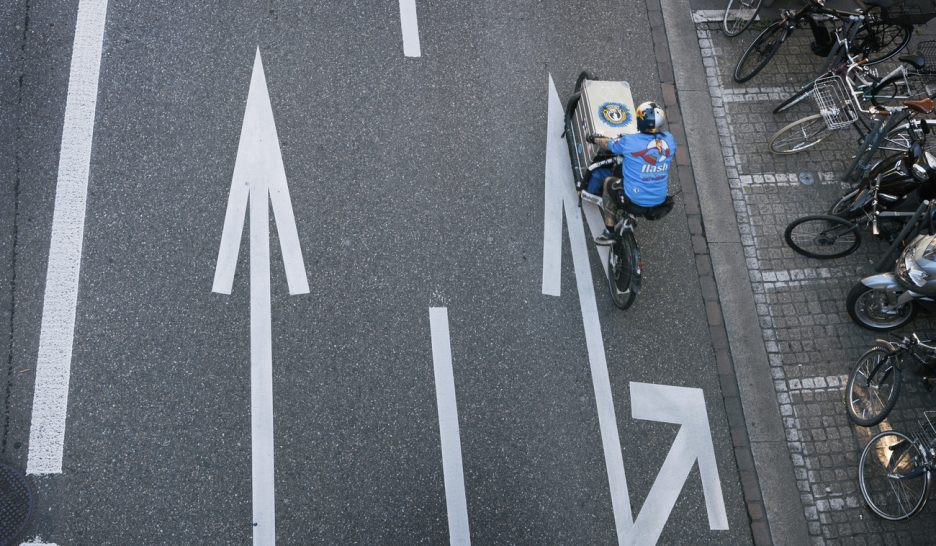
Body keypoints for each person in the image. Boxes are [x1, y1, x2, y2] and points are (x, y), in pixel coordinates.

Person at [584, 101, 677, 245]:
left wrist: (594, 138)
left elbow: (610, 145)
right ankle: (631, 217)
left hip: (634, 200)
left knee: (610, 182)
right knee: (639, 175)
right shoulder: (670, 141)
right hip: (658, 203)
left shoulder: (629, 142)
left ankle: (609, 231)